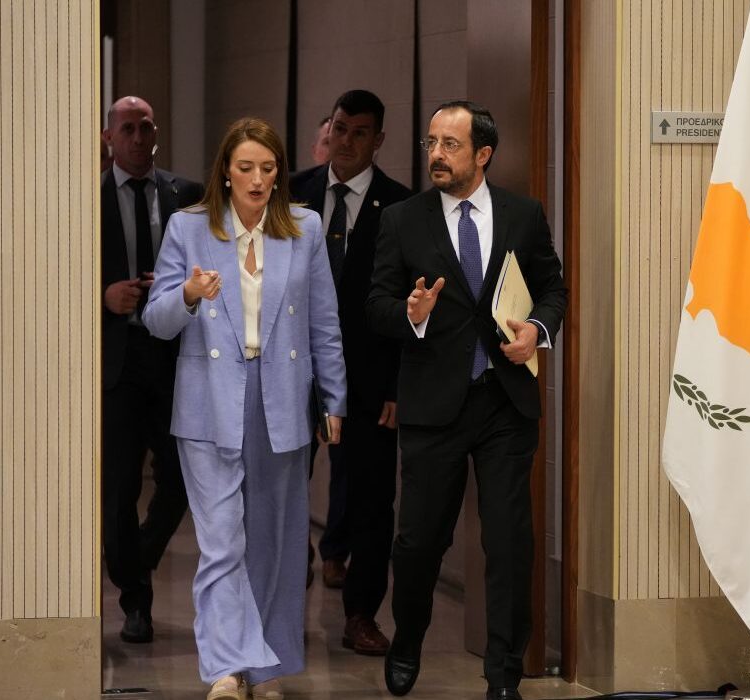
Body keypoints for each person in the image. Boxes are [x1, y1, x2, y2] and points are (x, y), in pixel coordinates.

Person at [366, 101, 567, 700]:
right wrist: (411, 313)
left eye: (449, 144)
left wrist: (537, 330)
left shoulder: (523, 215)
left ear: (483, 153)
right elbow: (376, 306)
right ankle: (407, 640)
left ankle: (504, 674)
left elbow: (552, 287)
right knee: (420, 542)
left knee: (508, 544)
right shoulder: (403, 220)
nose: (436, 154)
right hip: (433, 407)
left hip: (505, 404)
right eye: (431, 142)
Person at [143, 117, 346, 700]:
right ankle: (227, 669)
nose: (257, 179)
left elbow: (324, 321)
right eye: (245, 168)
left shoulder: (304, 228)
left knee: (274, 541)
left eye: (267, 168)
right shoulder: (189, 227)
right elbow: (156, 320)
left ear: (279, 173)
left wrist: (335, 398)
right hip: (209, 400)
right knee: (222, 541)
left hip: (281, 397)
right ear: (225, 173)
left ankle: (266, 666)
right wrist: (186, 294)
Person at [291, 89, 412, 655]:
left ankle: (361, 614)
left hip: (370, 378)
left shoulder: (402, 206)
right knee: (281, 489)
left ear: (378, 140)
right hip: (294, 370)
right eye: (339, 128)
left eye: (360, 133)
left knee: (370, 501)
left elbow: (411, 305)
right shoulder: (293, 193)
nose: (346, 141)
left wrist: (397, 385)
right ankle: (279, 605)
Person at [100, 95, 202, 644]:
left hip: (174, 359)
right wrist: (102, 297)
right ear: (108, 138)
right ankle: (135, 600)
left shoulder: (186, 195)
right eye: (128, 129)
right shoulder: (87, 199)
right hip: (117, 364)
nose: (139, 138)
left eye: (146, 128)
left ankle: (137, 559)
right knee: (119, 487)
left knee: (181, 476)